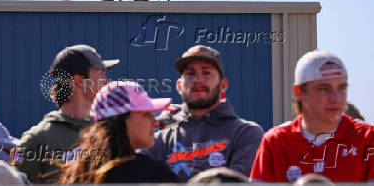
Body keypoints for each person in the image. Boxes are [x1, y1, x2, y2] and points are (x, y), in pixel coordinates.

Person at [141, 45, 264, 182]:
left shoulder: (245, 133)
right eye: (190, 73)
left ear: (223, 85)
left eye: (206, 73)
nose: (197, 80)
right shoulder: (160, 139)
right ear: (178, 85)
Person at [250, 50, 374, 182]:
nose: (336, 98)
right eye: (324, 88)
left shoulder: (368, 138)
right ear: (299, 92)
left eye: (342, 87)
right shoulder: (276, 142)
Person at [16, 44, 119, 183]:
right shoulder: (35, 141)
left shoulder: (108, 133)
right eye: (101, 74)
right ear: (79, 81)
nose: (107, 81)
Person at [59, 81, 179, 183]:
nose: (156, 122)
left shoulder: (80, 171)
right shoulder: (154, 174)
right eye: (146, 114)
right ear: (122, 121)